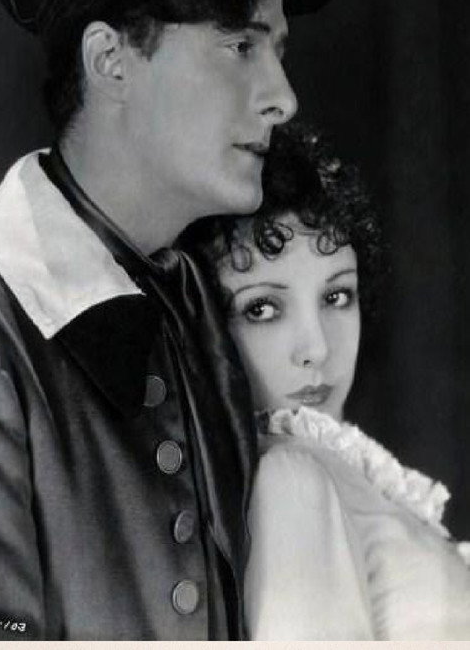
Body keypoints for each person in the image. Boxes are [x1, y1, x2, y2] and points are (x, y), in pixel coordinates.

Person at [0, 0, 332, 641]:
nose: (283, 99)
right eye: (240, 45)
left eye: (278, 50)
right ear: (110, 61)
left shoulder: (201, 300)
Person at [185, 120, 470, 639]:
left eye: (337, 296)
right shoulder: (289, 477)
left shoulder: (338, 474)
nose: (316, 348)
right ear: (203, 327)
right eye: (262, 308)